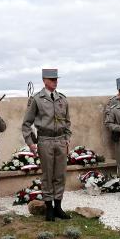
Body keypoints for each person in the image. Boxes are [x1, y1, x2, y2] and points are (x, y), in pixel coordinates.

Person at [22, 68, 72, 221]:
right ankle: (49, 208)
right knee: (47, 175)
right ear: (44, 80)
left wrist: (67, 138)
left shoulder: (62, 99)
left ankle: (58, 207)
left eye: (56, 79)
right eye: (52, 80)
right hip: (45, 140)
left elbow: (68, 122)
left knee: (60, 175)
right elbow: (26, 124)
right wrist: (31, 143)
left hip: (60, 140)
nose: (55, 82)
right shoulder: (37, 99)